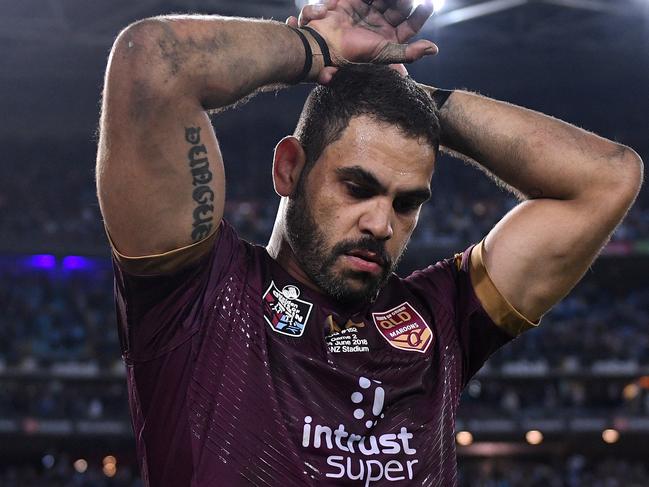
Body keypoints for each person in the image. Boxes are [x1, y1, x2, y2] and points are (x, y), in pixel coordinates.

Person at [95, 1, 643, 485]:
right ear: (289, 168)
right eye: (358, 188)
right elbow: (153, 61)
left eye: (407, 204)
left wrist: (398, 92)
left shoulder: (440, 318)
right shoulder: (197, 299)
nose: (382, 224)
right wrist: (318, 49)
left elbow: (609, 177)